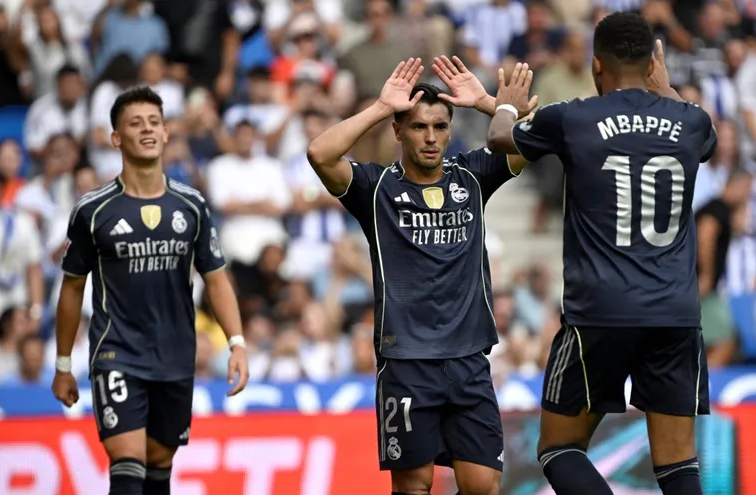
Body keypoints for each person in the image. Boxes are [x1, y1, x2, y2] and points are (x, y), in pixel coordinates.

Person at [486, 12, 717, 495]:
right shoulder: (692, 121)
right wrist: (668, 89)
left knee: (558, 449)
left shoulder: (574, 117)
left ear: (596, 66)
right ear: (654, 61)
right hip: (674, 313)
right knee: (677, 464)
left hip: (600, 312)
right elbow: (705, 140)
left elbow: (499, 139)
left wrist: (504, 106)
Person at [306, 56, 535, 495]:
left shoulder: (472, 176)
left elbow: (536, 138)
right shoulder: (375, 190)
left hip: (469, 360)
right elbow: (320, 152)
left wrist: (488, 102)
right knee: (414, 487)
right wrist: (380, 107)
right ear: (398, 130)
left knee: (482, 485)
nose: (431, 138)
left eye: (440, 126)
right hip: (407, 362)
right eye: (417, 126)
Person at [51, 86, 250, 495]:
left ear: (165, 133)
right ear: (116, 138)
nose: (147, 130)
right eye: (135, 123)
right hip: (116, 351)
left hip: (175, 354)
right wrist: (63, 363)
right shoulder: (93, 210)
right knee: (127, 463)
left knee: (159, 468)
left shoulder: (192, 205)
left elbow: (215, 278)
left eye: (154, 122)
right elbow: (72, 288)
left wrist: (237, 343)